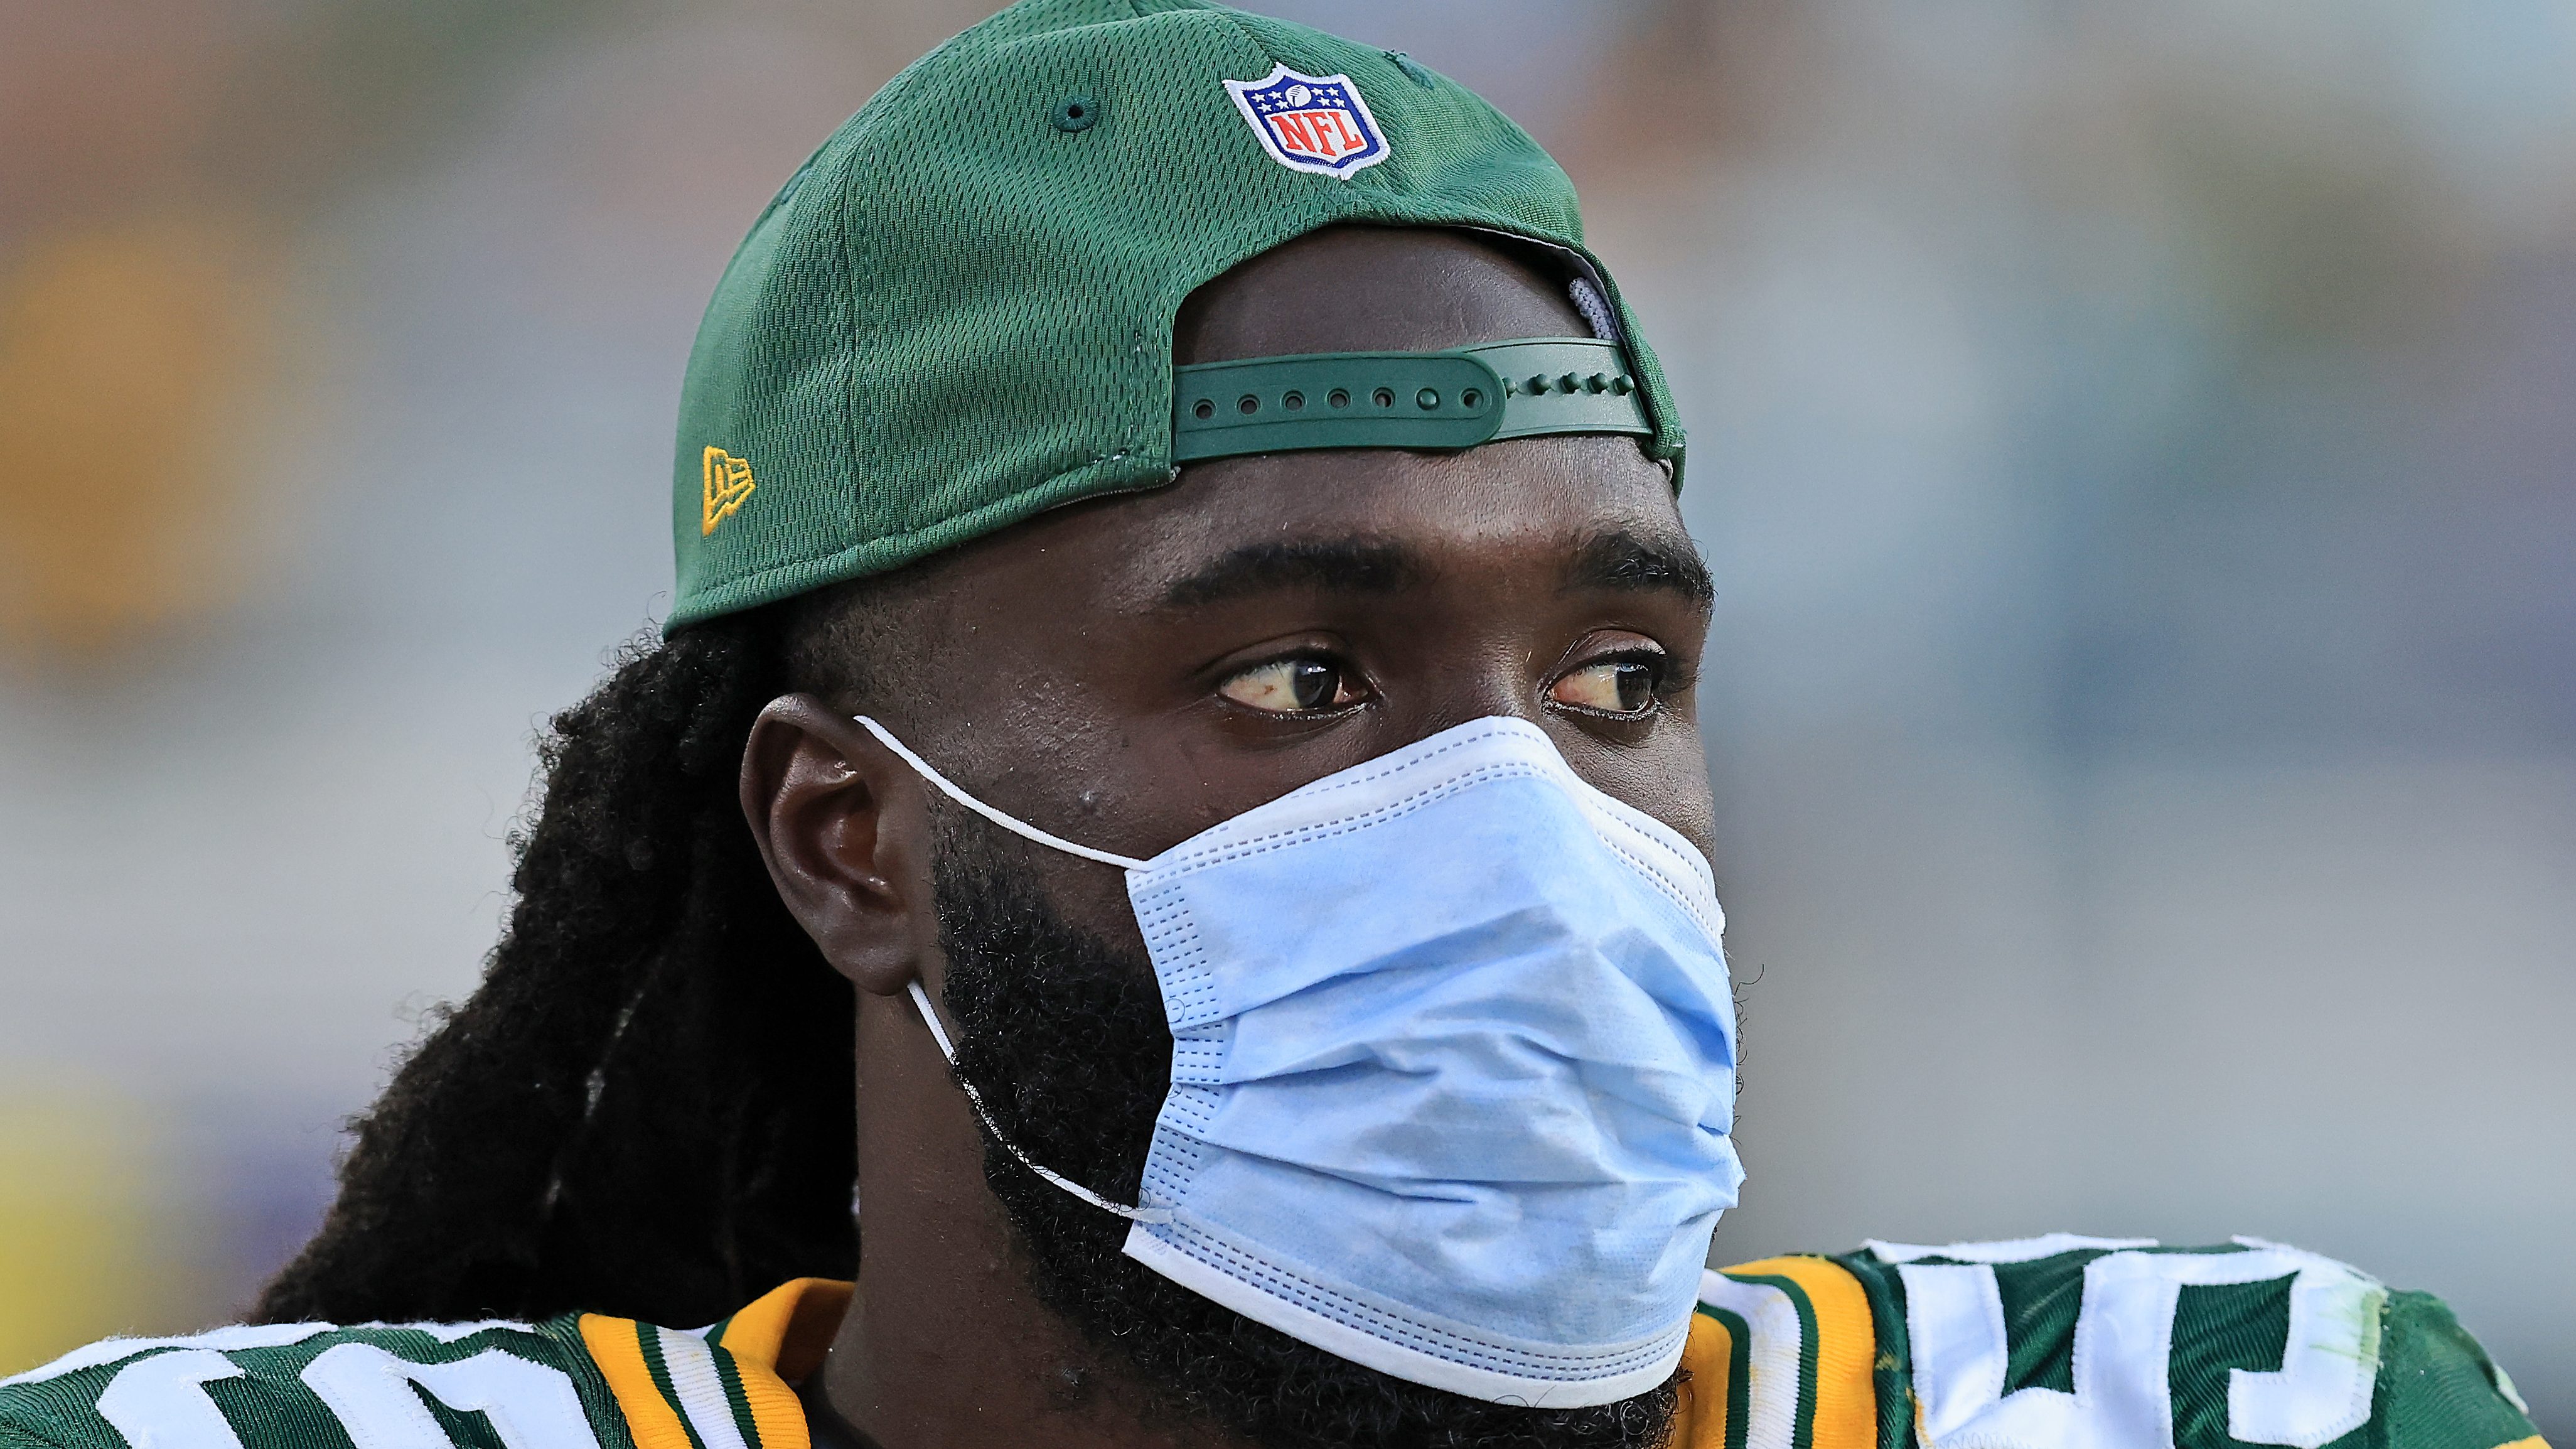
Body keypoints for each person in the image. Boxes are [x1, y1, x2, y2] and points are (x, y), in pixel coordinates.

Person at [0, 4, 2545, 1448]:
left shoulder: (2224, 1409)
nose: (1527, 827)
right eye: (1299, 674)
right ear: (845, 836)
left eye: (1617, 677)